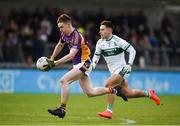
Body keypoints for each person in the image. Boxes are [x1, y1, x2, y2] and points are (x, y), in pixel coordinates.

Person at [43, 14, 127, 118]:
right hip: (77, 65)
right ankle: (115, 90)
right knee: (90, 93)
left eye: (62, 27)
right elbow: (59, 45)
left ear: (68, 24)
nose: (60, 30)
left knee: (64, 81)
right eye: (59, 27)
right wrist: (51, 58)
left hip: (85, 63)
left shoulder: (77, 36)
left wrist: (54, 63)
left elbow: (71, 55)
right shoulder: (65, 35)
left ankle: (62, 109)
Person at [92, 20, 161, 119]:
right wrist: (93, 64)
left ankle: (109, 111)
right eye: (100, 30)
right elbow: (96, 56)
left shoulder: (117, 40)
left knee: (108, 84)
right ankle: (149, 94)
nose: (100, 32)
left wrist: (129, 65)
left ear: (109, 30)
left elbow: (132, 50)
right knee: (128, 93)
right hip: (113, 72)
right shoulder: (100, 43)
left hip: (123, 69)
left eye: (102, 29)